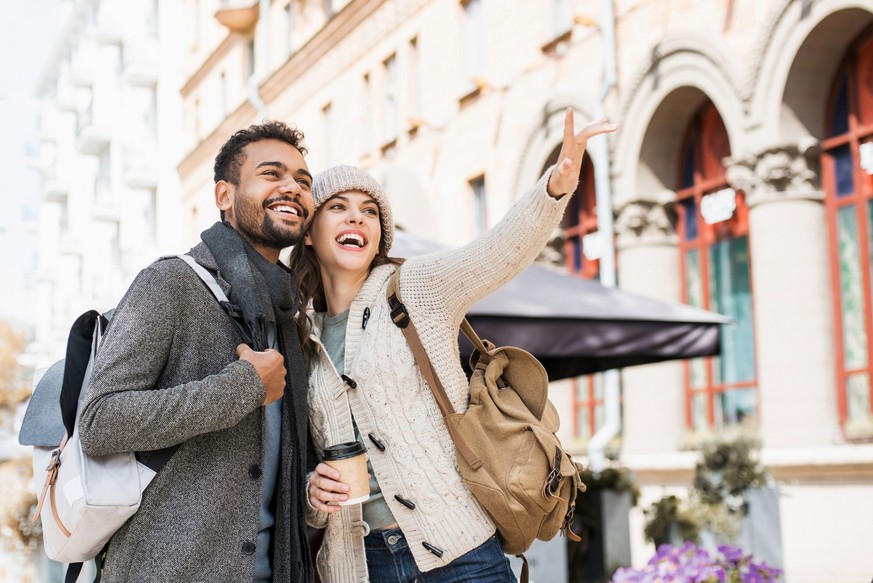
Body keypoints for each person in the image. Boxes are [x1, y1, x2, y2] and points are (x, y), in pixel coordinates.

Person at [291, 109, 616, 582]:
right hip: (359, 565)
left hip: (461, 552)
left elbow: (499, 250)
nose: (356, 218)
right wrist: (312, 496)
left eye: (369, 211)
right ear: (309, 230)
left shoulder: (415, 287)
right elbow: (298, 457)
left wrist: (556, 185)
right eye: (338, 207)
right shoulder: (301, 335)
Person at [78, 120, 316, 583]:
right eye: (272, 174)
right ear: (224, 196)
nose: (293, 187)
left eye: (303, 181)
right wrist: (243, 387)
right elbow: (99, 421)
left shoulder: (288, 314)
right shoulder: (171, 283)